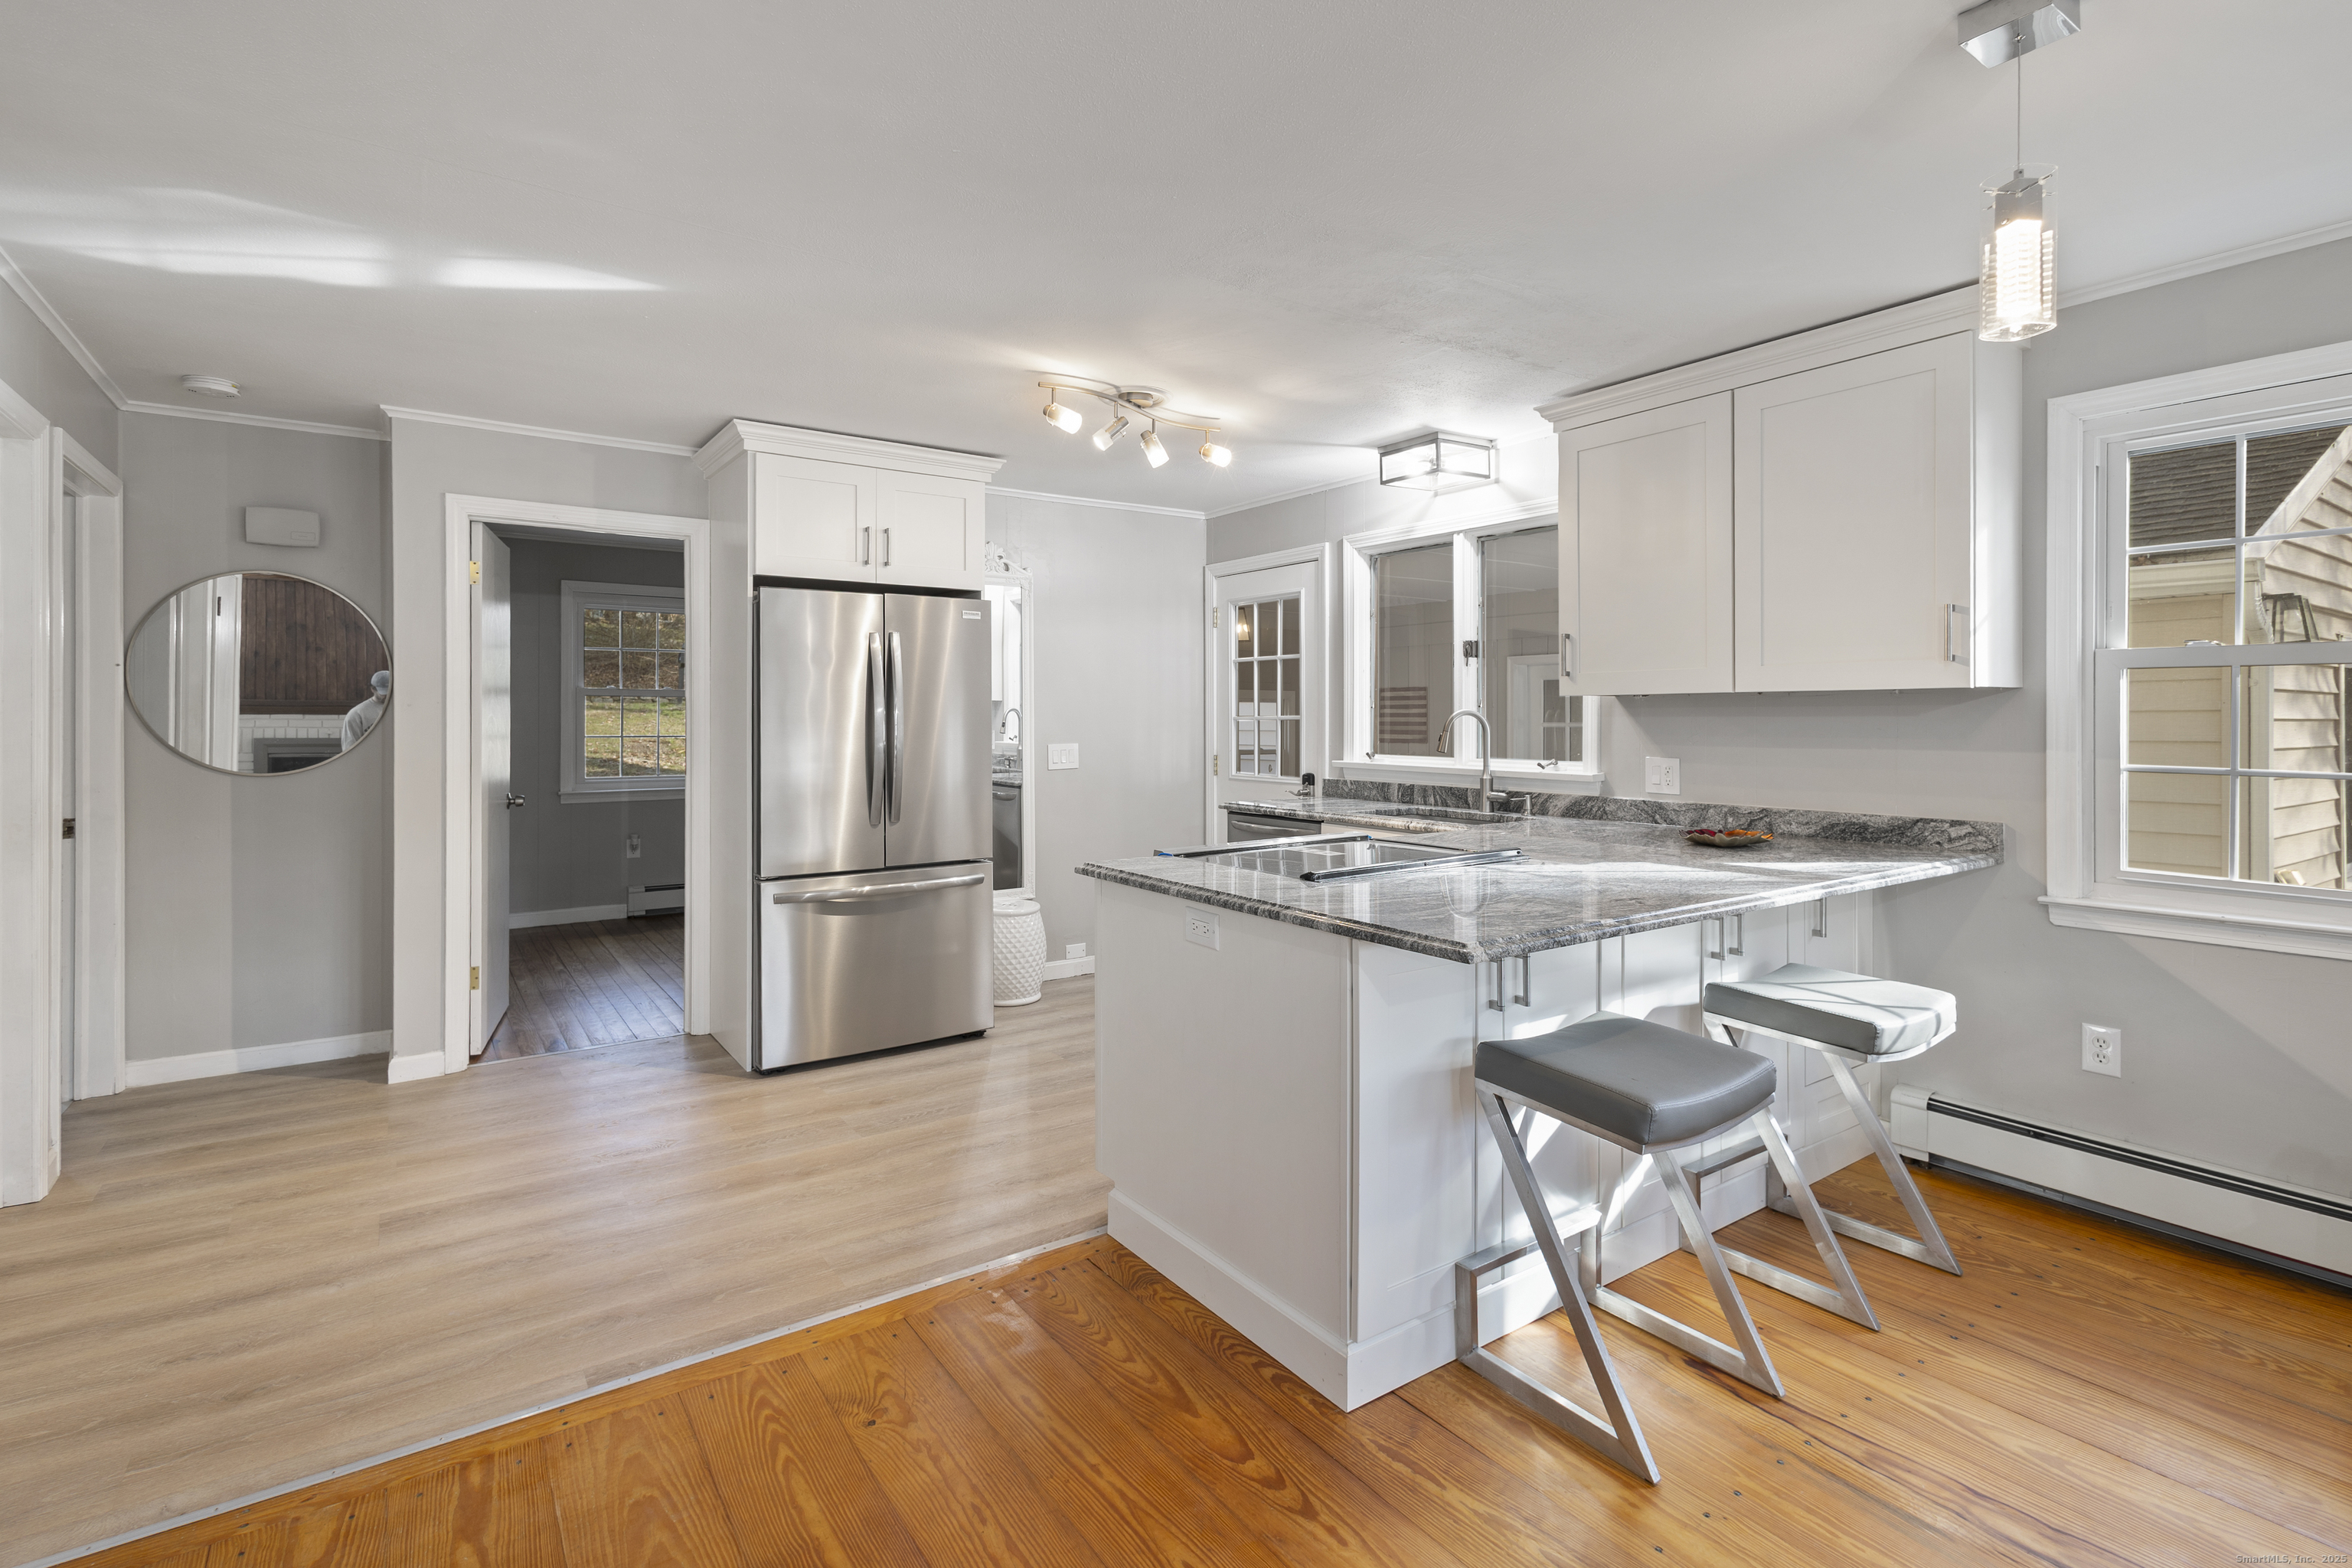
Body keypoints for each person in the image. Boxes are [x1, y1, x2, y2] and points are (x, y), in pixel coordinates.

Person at [341, 669, 390, 751]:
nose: (388, 695)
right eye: (384, 693)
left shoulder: (401, 710)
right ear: (373, 689)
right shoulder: (357, 714)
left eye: (391, 691)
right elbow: (349, 749)